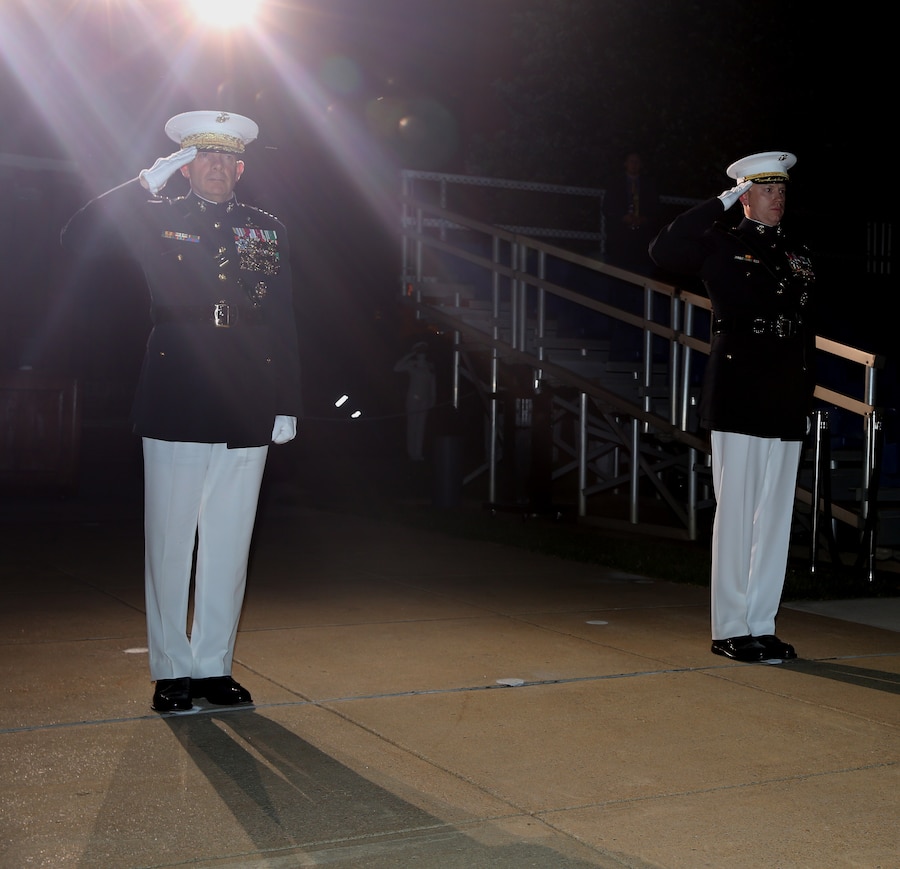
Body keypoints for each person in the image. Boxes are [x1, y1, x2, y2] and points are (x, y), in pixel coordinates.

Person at [60, 111, 302, 711]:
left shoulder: (264, 229)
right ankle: (172, 671)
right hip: (177, 386)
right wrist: (144, 182)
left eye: (227, 159)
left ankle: (213, 668)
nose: (216, 167)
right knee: (171, 538)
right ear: (186, 166)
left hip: (248, 391)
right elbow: (78, 234)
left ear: (240, 167)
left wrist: (288, 400)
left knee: (229, 539)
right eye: (204, 158)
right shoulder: (155, 218)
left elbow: (284, 315)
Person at [648, 151, 816, 663]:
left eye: (783, 191)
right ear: (745, 195)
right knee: (738, 510)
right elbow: (663, 249)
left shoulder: (796, 251)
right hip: (740, 383)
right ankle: (730, 628)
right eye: (767, 190)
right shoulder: (719, 243)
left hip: (785, 386)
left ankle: (762, 624)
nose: (778, 198)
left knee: (774, 517)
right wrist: (720, 201)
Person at [602, 151, 661, 275]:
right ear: (625, 164)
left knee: (641, 273)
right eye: (631, 161)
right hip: (620, 238)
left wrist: (644, 219)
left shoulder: (649, 185)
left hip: (642, 239)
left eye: (637, 162)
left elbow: (655, 208)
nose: (634, 165)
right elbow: (608, 207)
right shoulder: (615, 183)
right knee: (618, 273)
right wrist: (623, 217)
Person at [394, 341, 436, 461]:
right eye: (420, 351)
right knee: (412, 426)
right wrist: (410, 355)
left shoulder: (429, 366)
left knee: (421, 427)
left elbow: (433, 385)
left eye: (423, 351)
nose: (422, 354)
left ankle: (418, 453)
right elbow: (396, 368)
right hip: (413, 398)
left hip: (425, 400)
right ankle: (411, 452)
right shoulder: (412, 365)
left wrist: (433, 399)